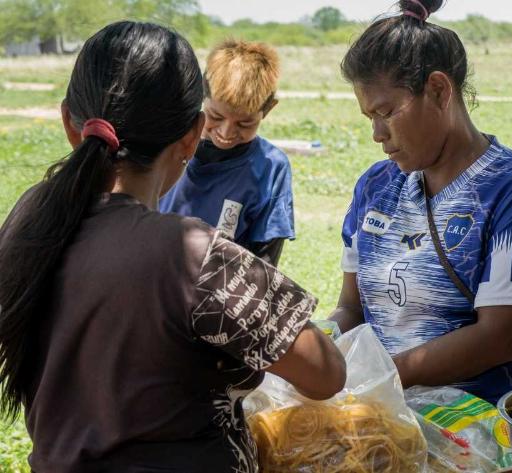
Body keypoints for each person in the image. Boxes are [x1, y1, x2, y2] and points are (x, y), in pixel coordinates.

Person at [0, 22, 346, 472]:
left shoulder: (28, 218)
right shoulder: (194, 257)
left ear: (70, 123)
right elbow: (327, 374)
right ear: (191, 136)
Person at [330, 0, 512, 404]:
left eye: (386, 112)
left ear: (438, 90)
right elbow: (352, 310)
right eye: (369, 117)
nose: (377, 134)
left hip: (480, 426)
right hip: (383, 411)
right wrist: (319, 352)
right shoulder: (376, 187)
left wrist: (377, 378)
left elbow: (500, 338)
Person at [159, 39, 294, 266]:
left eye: (245, 123)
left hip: (222, 289)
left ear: (268, 109)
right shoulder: (167, 144)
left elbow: (266, 262)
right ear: (202, 95)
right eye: (216, 117)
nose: (226, 132)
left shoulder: (271, 167)